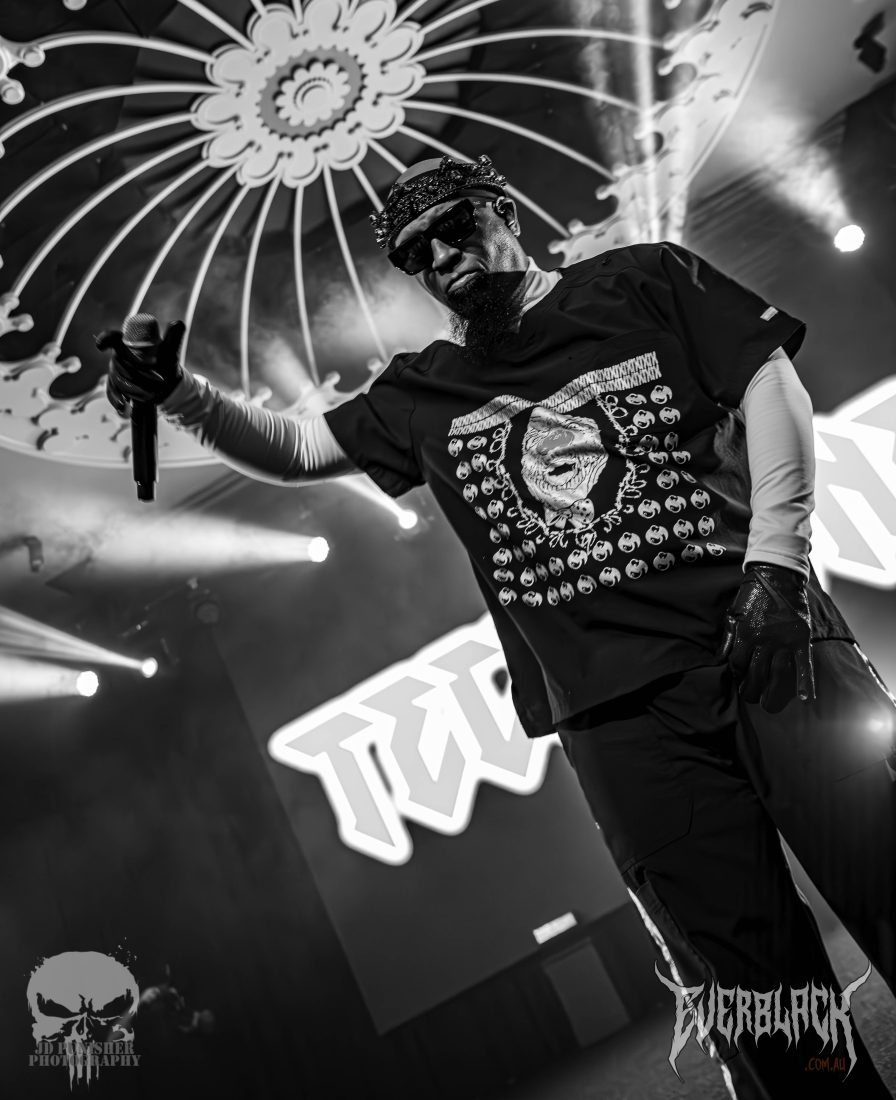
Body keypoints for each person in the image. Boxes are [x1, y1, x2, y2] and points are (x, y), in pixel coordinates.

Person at [97, 155, 896, 1099]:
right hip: (621, 721)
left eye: (455, 228)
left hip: (766, 640)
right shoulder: (422, 390)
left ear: (502, 211)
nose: (442, 258)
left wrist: (778, 561)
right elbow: (302, 448)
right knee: (756, 984)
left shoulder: (642, 280)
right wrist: (180, 394)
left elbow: (770, 383)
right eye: (416, 254)